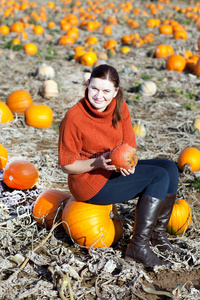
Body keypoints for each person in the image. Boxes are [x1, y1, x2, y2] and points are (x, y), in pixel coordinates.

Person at [58, 64, 180, 268]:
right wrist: (96, 163)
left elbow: (130, 146)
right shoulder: (74, 117)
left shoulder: (120, 108)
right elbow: (67, 166)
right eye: (94, 88)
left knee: (169, 168)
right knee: (158, 177)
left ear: (115, 92)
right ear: (87, 85)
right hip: (88, 184)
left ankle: (158, 237)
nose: (99, 96)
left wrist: (128, 163)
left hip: (112, 172)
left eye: (106, 91)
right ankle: (138, 247)